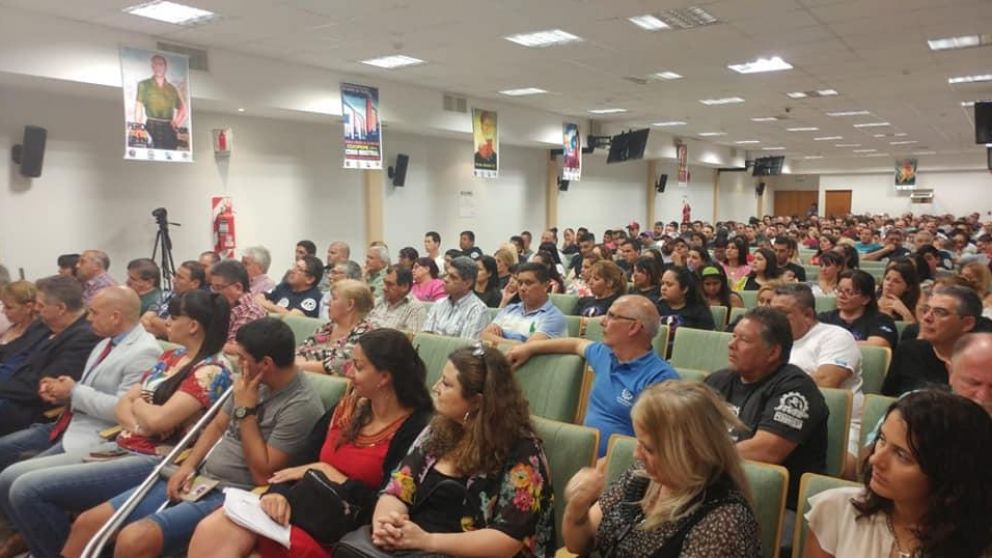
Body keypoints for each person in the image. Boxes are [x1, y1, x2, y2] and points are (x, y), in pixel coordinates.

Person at [62, 318, 323, 558]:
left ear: (265, 363)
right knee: (88, 522)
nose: (238, 364)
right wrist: (187, 466)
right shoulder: (252, 379)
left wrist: (245, 411)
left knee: (134, 540)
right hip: (200, 477)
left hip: (234, 493)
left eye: (242, 357)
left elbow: (262, 475)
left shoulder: (301, 405)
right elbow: (217, 427)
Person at [1, 289, 231, 558]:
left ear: (192, 325)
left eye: (173, 316)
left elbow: (155, 418)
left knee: (28, 490)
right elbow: (125, 404)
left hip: (156, 457)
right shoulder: (173, 356)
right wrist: (141, 416)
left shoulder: (212, 370)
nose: (165, 321)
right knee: (16, 482)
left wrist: (140, 407)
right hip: (124, 442)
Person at [187, 329, 434, 558]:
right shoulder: (348, 406)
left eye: (358, 367)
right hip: (301, 510)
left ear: (384, 377)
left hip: (342, 531)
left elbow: (386, 504)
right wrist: (278, 495)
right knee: (214, 527)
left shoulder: (414, 429)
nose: (348, 373)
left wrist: (330, 473)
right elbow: (299, 463)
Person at [345, 345, 554, 557]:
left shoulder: (523, 451)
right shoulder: (439, 428)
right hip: (414, 547)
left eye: (446, 384)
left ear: (476, 402)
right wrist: (388, 525)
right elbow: (398, 488)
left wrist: (428, 541)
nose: (435, 387)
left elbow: (507, 540)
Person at [0, 287, 160, 556]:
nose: (88, 318)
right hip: (72, 424)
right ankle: (37, 541)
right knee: (7, 477)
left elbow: (124, 410)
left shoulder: (144, 351)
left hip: (103, 437)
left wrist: (74, 392)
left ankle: (54, 549)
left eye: (95, 313)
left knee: (19, 485)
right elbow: (87, 389)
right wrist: (60, 390)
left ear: (115, 317)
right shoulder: (106, 341)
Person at [562, 381, 762, 558]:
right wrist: (577, 507)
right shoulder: (643, 476)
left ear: (690, 452)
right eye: (638, 442)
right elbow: (580, 544)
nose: (637, 455)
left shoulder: (724, 522)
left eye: (648, 448)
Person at [805, 391, 992, 558]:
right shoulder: (836, 510)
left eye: (902, 455)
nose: (876, 460)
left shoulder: (979, 544)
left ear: (947, 473)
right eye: (882, 440)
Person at [507, 295, 677, 456]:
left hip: (619, 467)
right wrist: (529, 348)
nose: (602, 321)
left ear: (634, 327)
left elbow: (659, 447)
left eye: (611, 316)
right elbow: (575, 344)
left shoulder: (661, 380)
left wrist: (606, 467)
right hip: (583, 455)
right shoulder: (605, 354)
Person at [705, 307, 829, 504]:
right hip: (715, 489)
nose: (731, 344)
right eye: (733, 336)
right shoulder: (718, 380)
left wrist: (698, 457)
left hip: (775, 506)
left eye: (743, 340)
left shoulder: (796, 389)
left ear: (773, 352)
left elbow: (766, 451)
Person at [0, 276, 100, 436]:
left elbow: (43, 386)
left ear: (60, 308)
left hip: (24, 405)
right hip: (11, 383)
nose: (36, 309)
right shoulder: (44, 323)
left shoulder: (84, 338)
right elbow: (12, 351)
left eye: (41, 305)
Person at [772, 284, 864, 457]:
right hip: (780, 421)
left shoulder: (836, 336)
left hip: (836, 428)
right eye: (771, 312)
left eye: (782, 313)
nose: (773, 320)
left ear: (808, 315)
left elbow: (826, 382)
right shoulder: (773, 342)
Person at [882, 285, 981, 396]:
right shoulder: (908, 351)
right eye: (926, 310)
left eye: (940, 312)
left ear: (967, 323)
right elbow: (887, 400)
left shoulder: (982, 363)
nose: (926, 318)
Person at [296, 280, 374, 375]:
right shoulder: (328, 327)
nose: (328, 303)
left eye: (334, 298)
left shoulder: (364, 334)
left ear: (350, 305)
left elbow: (339, 365)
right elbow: (300, 350)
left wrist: (298, 366)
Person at [482, 263, 567, 344]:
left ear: (545, 286)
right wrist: (516, 343)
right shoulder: (510, 309)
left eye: (528, 283)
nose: (522, 288)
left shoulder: (554, 317)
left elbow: (528, 348)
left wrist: (497, 339)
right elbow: (483, 336)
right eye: (520, 283)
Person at [820, 270, 899, 349]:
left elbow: (878, 345)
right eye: (839, 290)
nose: (841, 295)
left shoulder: (881, 320)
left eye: (849, 292)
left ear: (866, 299)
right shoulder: (824, 319)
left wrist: (832, 344)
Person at [421, 256, 490, 339]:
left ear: (468, 283)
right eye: (446, 274)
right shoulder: (439, 304)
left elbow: (466, 347)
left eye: (453, 277)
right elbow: (424, 337)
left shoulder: (477, 310)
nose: (446, 279)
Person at [132, 54, 187, 150]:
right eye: (155, 65)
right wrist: (138, 127)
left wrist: (176, 124)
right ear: (152, 67)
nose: (157, 67)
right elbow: (138, 107)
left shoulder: (172, 89)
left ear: (165, 67)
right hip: (151, 126)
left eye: (160, 64)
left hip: (168, 129)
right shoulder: (143, 85)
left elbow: (183, 110)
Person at [210, 260, 267, 354]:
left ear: (238, 287)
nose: (214, 294)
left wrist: (204, 344)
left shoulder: (250, 311)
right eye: (213, 288)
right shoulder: (225, 306)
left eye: (219, 288)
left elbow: (235, 348)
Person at [140, 260, 206, 339]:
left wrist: (153, 321)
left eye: (180, 278)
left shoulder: (199, 304)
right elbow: (144, 319)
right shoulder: (166, 295)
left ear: (195, 283)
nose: (174, 280)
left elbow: (175, 332)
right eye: (175, 276)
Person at [0, 281, 47, 374]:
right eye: (4, 306)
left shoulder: (38, 334)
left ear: (28, 307)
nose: (4, 311)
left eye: (9, 307)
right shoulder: (11, 326)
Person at [257, 255, 324, 318]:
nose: (292, 270)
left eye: (299, 269)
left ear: (310, 279)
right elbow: (257, 298)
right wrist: (277, 309)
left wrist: (267, 306)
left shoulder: (313, 298)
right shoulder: (284, 286)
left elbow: (292, 318)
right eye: (294, 266)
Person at [368, 266, 427, 332]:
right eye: (384, 283)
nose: (384, 288)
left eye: (389, 284)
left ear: (405, 287)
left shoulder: (415, 309)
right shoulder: (379, 300)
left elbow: (410, 340)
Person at [657, 266, 716, 332]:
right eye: (662, 284)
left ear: (684, 289)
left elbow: (708, 337)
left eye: (669, 285)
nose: (663, 288)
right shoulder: (657, 307)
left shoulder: (699, 312)